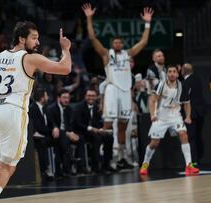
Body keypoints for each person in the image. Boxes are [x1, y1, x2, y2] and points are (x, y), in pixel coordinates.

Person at [0, 21, 71, 203]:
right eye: (34, 38)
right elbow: (65, 69)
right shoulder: (29, 58)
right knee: (8, 168)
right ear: (21, 39)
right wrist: (65, 49)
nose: (37, 42)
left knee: (0, 162)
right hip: (13, 112)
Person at [82, 3, 154, 169]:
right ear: (112, 44)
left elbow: (143, 42)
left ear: (122, 44)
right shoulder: (107, 54)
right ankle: (105, 157)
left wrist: (148, 23)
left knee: (123, 125)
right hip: (112, 90)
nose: (118, 44)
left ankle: (121, 157)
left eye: (120, 42)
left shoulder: (128, 54)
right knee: (108, 125)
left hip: (125, 91)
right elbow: (93, 39)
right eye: (115, 42)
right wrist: (89, 18)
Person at [139, 65, 200, 176]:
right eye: (170, 72)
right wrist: (152, 114)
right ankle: (145, 164)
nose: (172, 73)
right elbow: (152, 100)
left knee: (183, 134)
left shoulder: (182, 86)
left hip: (175, 116)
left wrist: (188, 116)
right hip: (161, 117)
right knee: (154, 143)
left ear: (177, 74)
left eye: (174, 72)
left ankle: (189, 165)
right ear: (167, 74)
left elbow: (187, 103)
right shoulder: (161, 85)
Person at [72, 88, 115, 173]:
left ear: (96, 97)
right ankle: (96, 166)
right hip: (82, 131)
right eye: (89, 96)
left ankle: (106, 164)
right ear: (85, 96)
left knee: (109, 137)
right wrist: (91, 129)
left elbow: (99, 122)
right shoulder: (78, 107)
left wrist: (102, 129)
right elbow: (78, 123)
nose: (91, 97)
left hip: (95, 132)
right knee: (97, 138)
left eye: (93, 96)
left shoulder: (97, 107)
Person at [181, 63, 205, 165]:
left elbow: (185, 99)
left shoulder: (185, 82)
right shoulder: (198, 80)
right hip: (201, 112)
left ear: (183, 71)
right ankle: (198, 159)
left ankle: (193, 161)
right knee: (198, 136)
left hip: (191, 114)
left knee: (191, 137)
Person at [29, 87, 53, 181]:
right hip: (37, 135)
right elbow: (38, 127)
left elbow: (51, 121)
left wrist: (54, 128)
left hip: (46, 133)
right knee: (42, 143)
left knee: (61, 139)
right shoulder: (32, 108)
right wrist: (51, 131)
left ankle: (63, 168)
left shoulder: (46, 108)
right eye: (46, 95)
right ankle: (45, 169)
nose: (48, 97)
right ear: (42, 98)